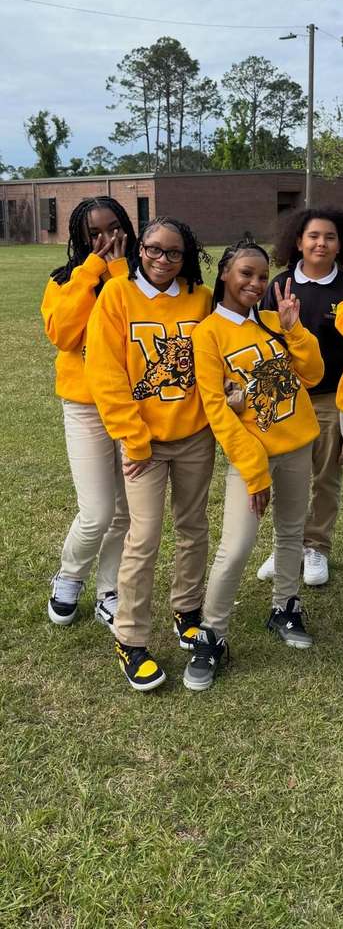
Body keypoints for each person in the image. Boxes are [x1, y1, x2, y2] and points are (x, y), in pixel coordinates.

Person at [185, 238, 324, 689]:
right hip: (252, 461)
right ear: (224, 273)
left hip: (297, 446)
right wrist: (254, 468)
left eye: (262, 276)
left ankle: (285, 607)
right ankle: (213, 634)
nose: (255, 283)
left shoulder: (272, 321)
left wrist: (294, 330)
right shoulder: (207, 334)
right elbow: (217, 409)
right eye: (246, 273)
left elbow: (314, 374)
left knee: (290, 533)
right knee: (236, 548)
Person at [85, 216, 214, 691]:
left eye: (174, 252)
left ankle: (188, 612)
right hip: (144, 444)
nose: (163, 260)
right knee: (144, 536)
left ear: (187, 255)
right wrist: (133, 438)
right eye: (154, 250)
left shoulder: (200, 299)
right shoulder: (116, 296)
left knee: (193, 527)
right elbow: (105, 373)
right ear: (140, 250)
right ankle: (131, 637)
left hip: (195, 436)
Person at [41, 196, 137, 632]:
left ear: (127, 228)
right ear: (80, 237)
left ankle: (109, 590)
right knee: (97, 511)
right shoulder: (65, 280)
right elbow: (61, 335)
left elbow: (137, 332)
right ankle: (69, 575)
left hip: (132, 405)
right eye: (93, 233)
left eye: (113, 228)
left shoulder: (140, 276)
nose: (105, 239)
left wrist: (118, 274)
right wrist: (91, 273)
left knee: (126, 513)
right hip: (85, 407)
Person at [257, 207, 343, 587]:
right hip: (288, 397)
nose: (321, 242)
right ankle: (285, 546)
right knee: (288, 476)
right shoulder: (279, 286)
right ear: (298, 242)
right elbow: (265, 342)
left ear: (340, 245)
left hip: (332, 398)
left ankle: (316, 546)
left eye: (329, 237)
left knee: (325, 477)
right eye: (313, 236)